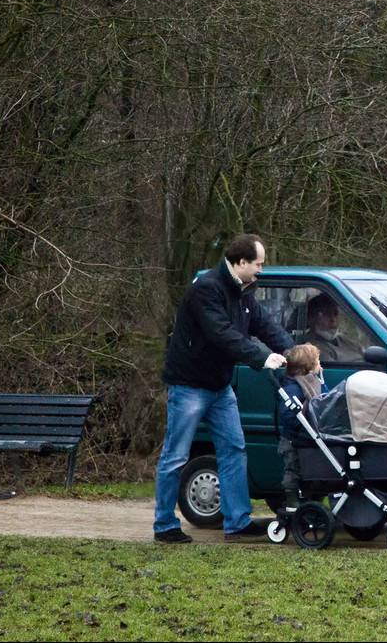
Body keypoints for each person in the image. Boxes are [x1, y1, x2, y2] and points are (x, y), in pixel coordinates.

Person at [153, 233, 293, 544]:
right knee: (176, 455)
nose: (261, 270)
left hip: (219, 386)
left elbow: (265, 325)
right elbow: (222, 333)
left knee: (234, 449)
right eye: (258, 264)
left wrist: (296, 354)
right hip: (189, 385)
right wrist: (261, 357)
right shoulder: (207, 289)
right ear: (241, 262)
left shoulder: (243, 292)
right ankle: (164, 525)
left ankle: (237, 523)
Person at [276, 343, 328, 511]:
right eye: (317, 361)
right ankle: (292, 501)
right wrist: (302, 423)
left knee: (308, 471)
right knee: (293, 470)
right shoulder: (293, 389)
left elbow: (325, 400)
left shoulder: (313, 382)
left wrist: (322, 380)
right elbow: (287, 415)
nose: (320, 364)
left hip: (307, 439)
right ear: (308, 367)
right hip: (293, 440)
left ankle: (308, 501)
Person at [304, 294, 364, 362]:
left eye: (335, 313)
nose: (333, 319)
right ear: (313, 318)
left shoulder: (351, 344)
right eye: (326, 314)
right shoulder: (312, 348)